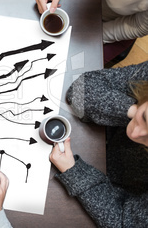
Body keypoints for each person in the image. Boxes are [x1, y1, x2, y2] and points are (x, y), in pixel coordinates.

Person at [49, 61, 148, 227]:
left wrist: (75, 173)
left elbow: (123, 223)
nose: (135, 134)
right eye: (145, 117)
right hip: (97, 140)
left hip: (115, 189)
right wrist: (131, 111)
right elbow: (80, 90)